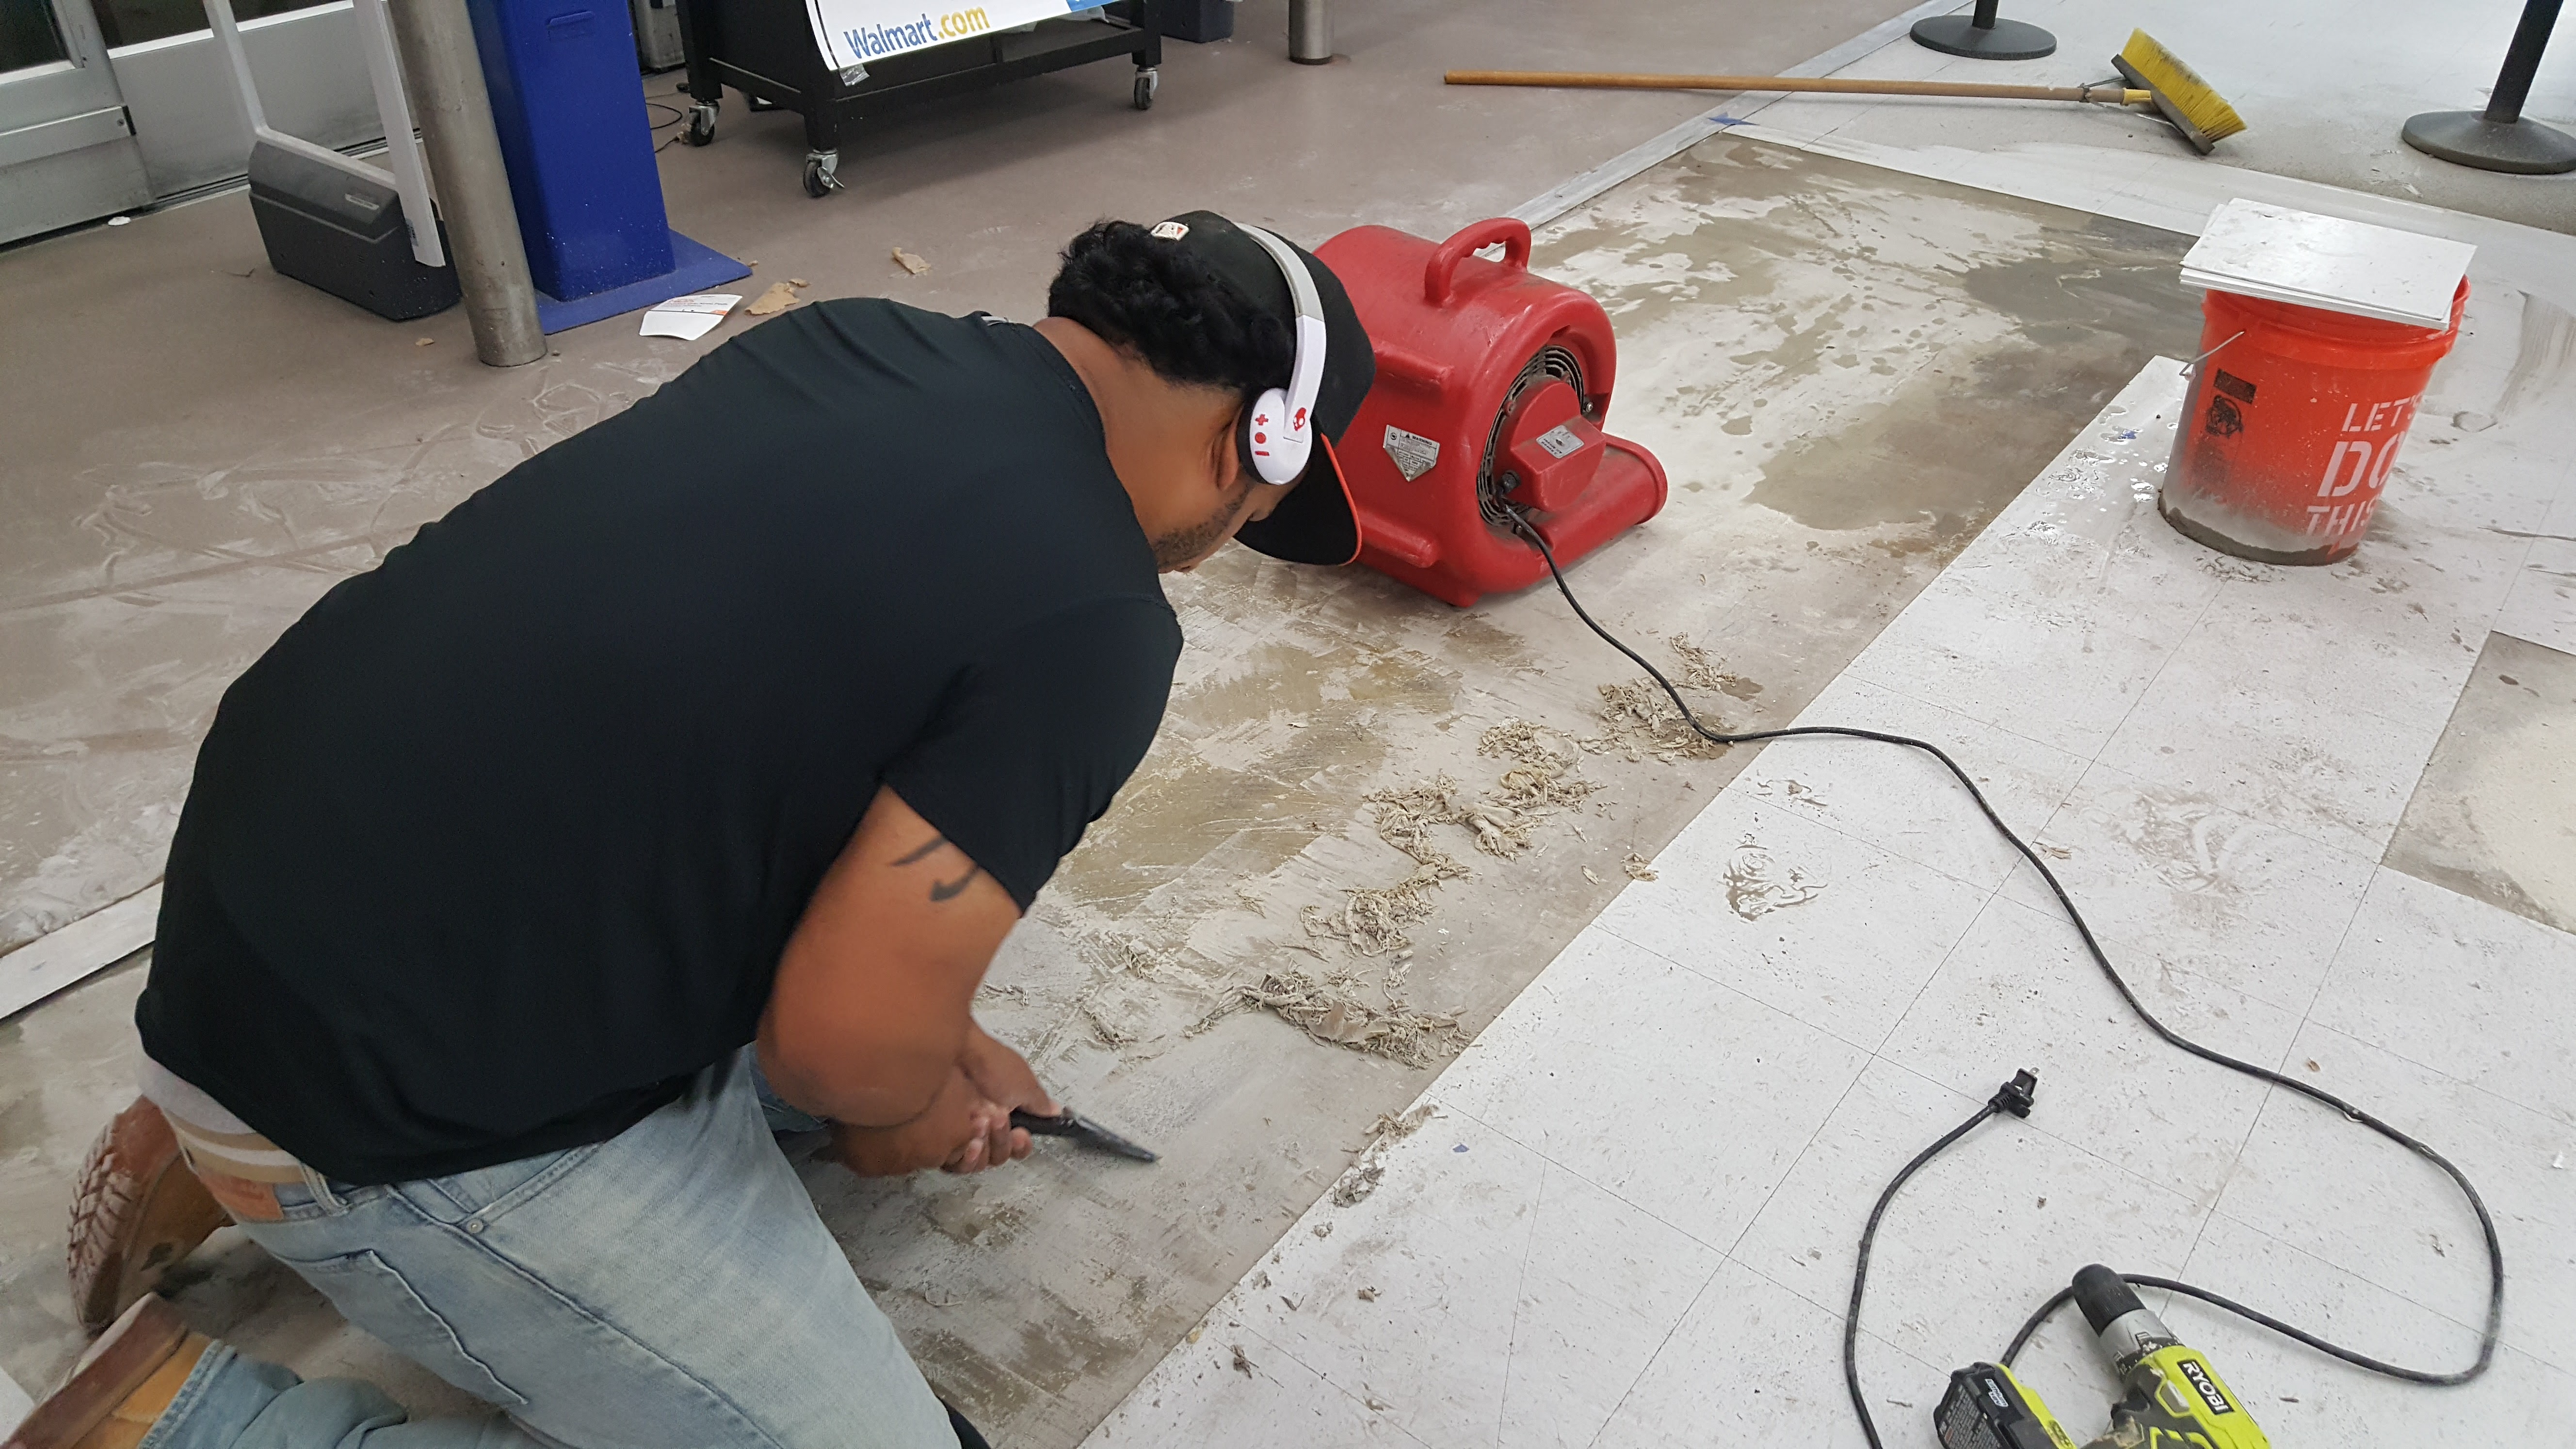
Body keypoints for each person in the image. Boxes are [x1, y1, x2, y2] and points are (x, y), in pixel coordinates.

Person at [16, 211, 1374, 1449]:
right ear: (1250, 443)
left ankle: (212, 1136)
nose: (1226, 538)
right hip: (381, 1091)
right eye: (1261, 511)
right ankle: (192, 1422)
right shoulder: (1098, 620)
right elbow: (834, 1046)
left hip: (262, 898)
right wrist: (899, 1105)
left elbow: (732, 731)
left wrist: (937, 1035)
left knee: (887, 1008)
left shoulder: (856, 337)